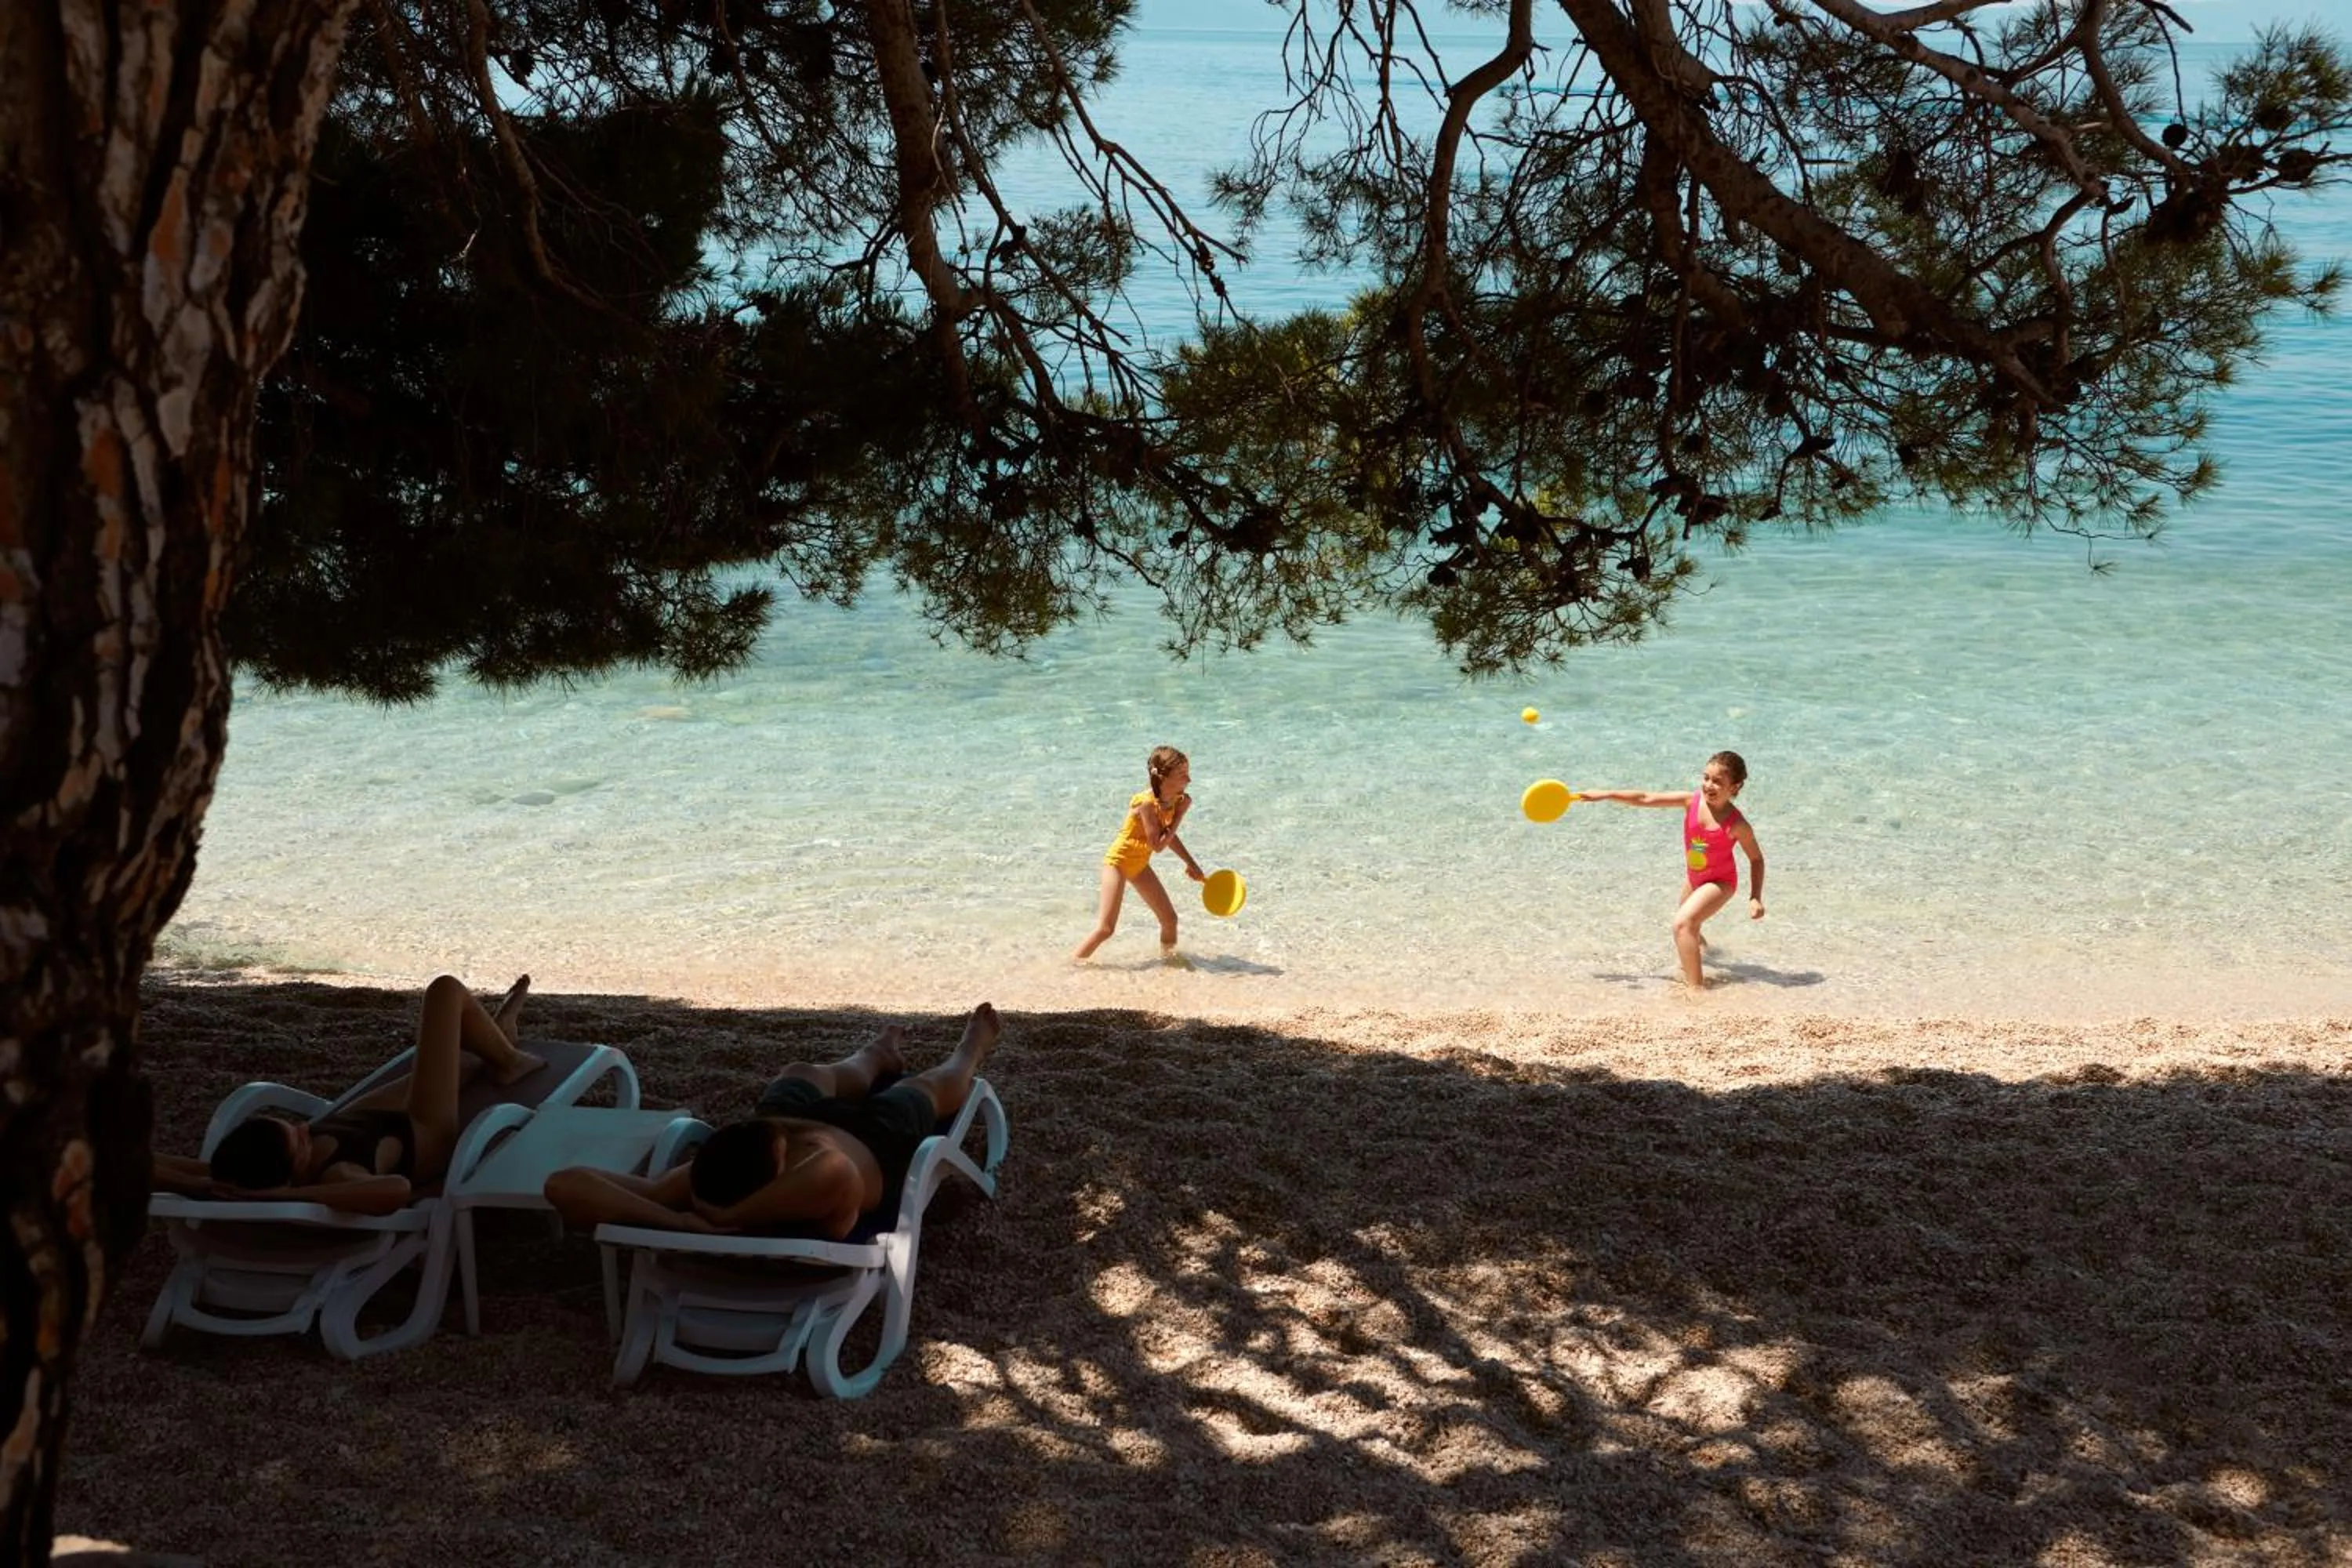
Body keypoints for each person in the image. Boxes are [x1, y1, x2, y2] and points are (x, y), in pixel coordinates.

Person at [543, 1003, 1000, 1240]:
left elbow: (562, 1185)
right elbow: (836, 1168)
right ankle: (970, 1050)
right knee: (925, 1087)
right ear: (777, 1172)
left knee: (801, 1074)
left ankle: (875, 1055)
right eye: (784, 1146)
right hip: (875, 1139)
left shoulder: (701, 1186)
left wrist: (677, 1221)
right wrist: (731, 1218)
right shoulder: (821, 1188)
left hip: (777, 1131)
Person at [151, 975, 544, 1214]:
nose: (303, 1127)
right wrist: (281, 1199)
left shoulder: (232, 1176)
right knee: (444, 991)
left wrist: (193, 1184)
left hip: (361, 1123)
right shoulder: (337, 1176)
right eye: (298, 1140)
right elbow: (396, 1190)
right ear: (289, 1175)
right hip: (423, 1131)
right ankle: (510, 1059)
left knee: (465, 1062)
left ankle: (501, 1033)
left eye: (291, 1126)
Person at [1577, 750, 1767, 989]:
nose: (1709, 785)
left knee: (1682, 924)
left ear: (1735, 787)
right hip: (1694, 878)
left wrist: (1755, 897)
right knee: (1689, 927)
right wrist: (1606, 794)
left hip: (1720, 883)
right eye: (1706, 777)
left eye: (1717, 781)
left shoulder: (1737, 824)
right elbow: (1646, 798)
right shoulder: (1691, 801)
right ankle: (1704, 951)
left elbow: (1756, 859)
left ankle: (1696, 989)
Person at [1073, 745, 1207, 962]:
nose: (1189, 780)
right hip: (1118, 863)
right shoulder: (1145, 804)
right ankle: (1072, 965)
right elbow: (1158, 845)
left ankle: (1169, 962)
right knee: (1106, 929)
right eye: (1182, 775)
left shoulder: (1174, 801)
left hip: (1139, 865)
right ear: (1163, 778)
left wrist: (1191, 863)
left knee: (1170, 920)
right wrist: (1180, 816)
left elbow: (1168, 837)